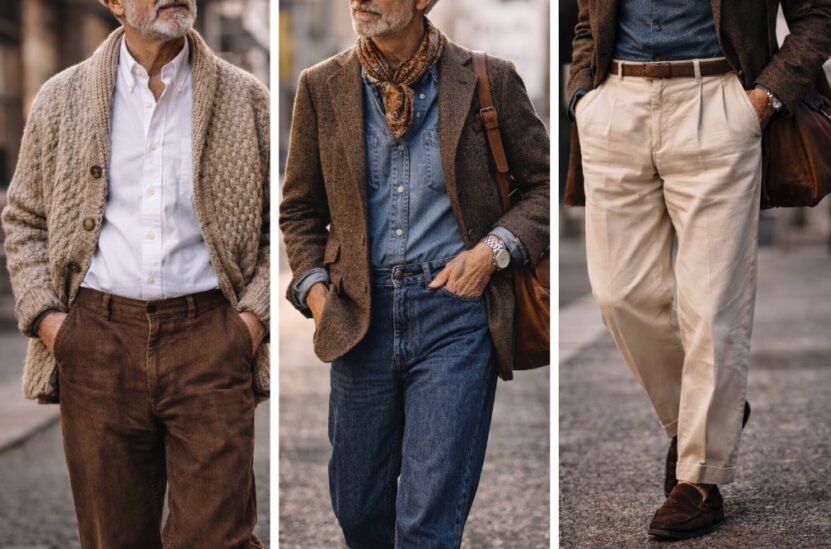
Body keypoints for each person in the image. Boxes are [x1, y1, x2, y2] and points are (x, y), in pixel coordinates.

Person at [279, 0, 549, 546]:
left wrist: (490, 252)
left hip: (455, 315)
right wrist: (318, 298)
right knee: (357, 510)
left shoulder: (487, 79)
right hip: (359, 317)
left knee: (427, 520)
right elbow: (300, 209)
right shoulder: (320, 85)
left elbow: (541, 188)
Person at [1, 0, 270, 546]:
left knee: (218, 537)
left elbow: (275, 224)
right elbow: (24, 217)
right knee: (113, 538)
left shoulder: (248, 99)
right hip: (96, 344)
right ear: (113, 3)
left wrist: (248, 324)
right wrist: (56, 326)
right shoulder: (60, 98)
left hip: (210, 342)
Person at [566, 0, 831, 540]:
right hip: (617, 104)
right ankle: (706, 413)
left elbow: (818, 14)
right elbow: (583, 18)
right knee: (619, 293)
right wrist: (582, 99)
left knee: (712, 303)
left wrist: (763, 99)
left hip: (719, 100)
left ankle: (699, 479)